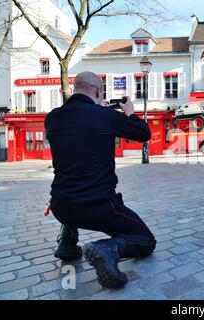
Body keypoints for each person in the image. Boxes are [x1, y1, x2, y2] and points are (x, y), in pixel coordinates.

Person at [45, 71, 156, 288]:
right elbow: (143, 133)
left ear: (74, 89)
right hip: (99, 208)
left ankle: (67, 243)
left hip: (61, 206)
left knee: (71, 188)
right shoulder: (106, 116)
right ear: (98, 91)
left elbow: (80, 133)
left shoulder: (53, 117)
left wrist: (99, 111)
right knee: (146, 240)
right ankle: (108, 249)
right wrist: (129, 113)